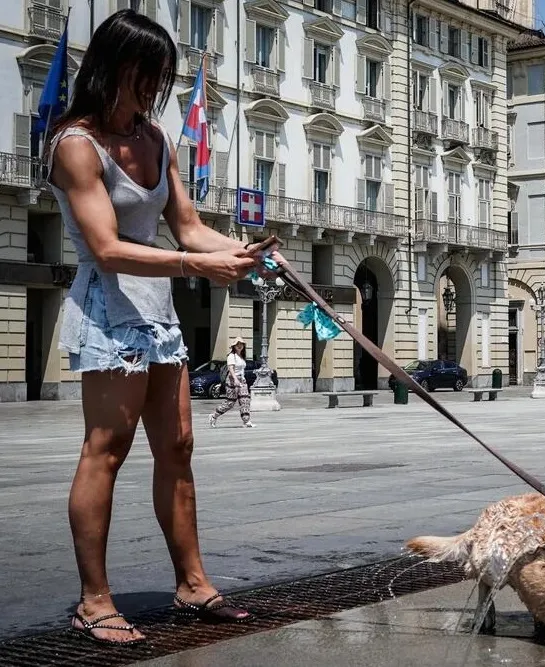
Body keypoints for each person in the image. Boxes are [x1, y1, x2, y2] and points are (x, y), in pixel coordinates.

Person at [47, 9, 279, 645]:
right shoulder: (75, 144)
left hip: (157, 312)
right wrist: (198, 264)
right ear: (111, 69)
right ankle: (94, 601)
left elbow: (189, 225)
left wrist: (248, 250)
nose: (152, 91)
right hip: (108, 310)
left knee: (177, 447)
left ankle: (192, 583)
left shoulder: (154, 140)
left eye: (159, 79)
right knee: (108, 449)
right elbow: (106, 247)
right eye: (143, 76)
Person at [208, 337, 253, 428]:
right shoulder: (231, 356)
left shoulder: (241, 356)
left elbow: (241, 369)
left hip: (242, 380)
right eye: (237, 344)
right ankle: (214, 416)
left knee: (245, 400)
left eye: (241, 344)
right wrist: (235, 379)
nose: (239, 346)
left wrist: (241, 380)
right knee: (230, 402)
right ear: (234, 346)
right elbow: (231, 369)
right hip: (232, 380)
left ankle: (246, 421)